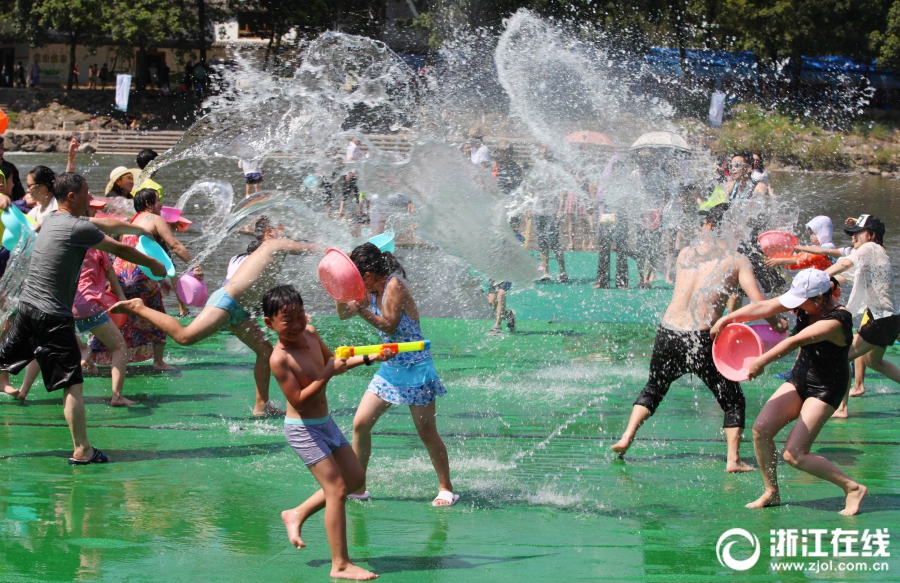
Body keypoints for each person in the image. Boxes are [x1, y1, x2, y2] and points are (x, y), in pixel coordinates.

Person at [0, 173, 166, 463]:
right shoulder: (77, 228)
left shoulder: (53, 218)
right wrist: (155, 263)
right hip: (52, 315)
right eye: (87, 193)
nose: (91, 198)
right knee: (72, 383)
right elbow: (120, 248)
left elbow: (104, 223)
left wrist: (137, 229)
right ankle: (83, 450)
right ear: (72, 197)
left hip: (28, 307)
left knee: (3, 359)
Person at [610, 204, 785, 472]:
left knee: (654, 388)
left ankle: (626, 437)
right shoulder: (737, 260)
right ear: (729, 228)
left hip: (668, 332)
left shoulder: (686, 254)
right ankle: (733, 460)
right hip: (702, 338)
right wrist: (777, 321)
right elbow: (759, 302)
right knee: (732, 399)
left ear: (708, 226)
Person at [110, 230, 318, 417]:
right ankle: (139, 307)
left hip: (239, 311)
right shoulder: (274, 245)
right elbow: (309, 248)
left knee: (265, 352)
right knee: (185, 337)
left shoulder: (273, 256)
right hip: (226, 303)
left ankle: (261, 405)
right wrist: (329, 247)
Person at [710, 270, 866, 515]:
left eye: (801, 302)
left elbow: (794, 341)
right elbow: (762, 308)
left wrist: (760, 362)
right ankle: (771, 492)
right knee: (761, 430)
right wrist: (727, 319)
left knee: (794, 455)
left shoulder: (838, 319)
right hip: (800, 379)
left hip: (826, 387)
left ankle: (852, 488)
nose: (795, 307)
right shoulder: (807, 302)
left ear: (819, 299)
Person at [264, 285, 387, 580]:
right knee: (338, 491)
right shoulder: (279, 359)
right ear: (269, 323)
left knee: (355, 479)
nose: (296, 325)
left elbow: (336, 364)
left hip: (325, 423)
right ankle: (341, 564)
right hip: (303, 430)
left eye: (299, 316)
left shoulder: (311, 333)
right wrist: (327, 372)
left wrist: (373, 357)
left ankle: (296, 514)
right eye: (287, 320)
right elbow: (299, 400)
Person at [336, 243, 458, 506]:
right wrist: (339, 292)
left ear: (368, 273)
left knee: (426, 431)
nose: (357, 282)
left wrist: (362, 310)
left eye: (357, 276)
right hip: (390, 367)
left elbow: (390, 326)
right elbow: (344, 314)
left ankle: (446, 488)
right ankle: (358, 488)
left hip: (415, 366)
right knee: (360, 424)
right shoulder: (368, 290)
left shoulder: (393, 286)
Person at [92, 189, 202, 368]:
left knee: (122, 315)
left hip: (121, 274)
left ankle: (98, 354)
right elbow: (174, 245)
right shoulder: (155, 219)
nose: (160, 206)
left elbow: (142, 251)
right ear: (148, 204)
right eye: (158, 201)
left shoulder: (132, 221)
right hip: (141, 275)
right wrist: (194, 264)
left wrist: (160, 280)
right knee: (157, 313)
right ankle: (158, 361)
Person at [824, 215, 900, 416]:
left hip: (879, 320)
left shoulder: (870, 248)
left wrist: (820, 276)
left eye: (858, 233)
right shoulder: (876, 254)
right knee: (874, 362)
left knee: (841, 355)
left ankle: (842, 408)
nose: (853, 238)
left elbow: (843, 265)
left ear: (872, 235)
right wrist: (827, 283)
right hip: (890, 319)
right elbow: (843, 275)